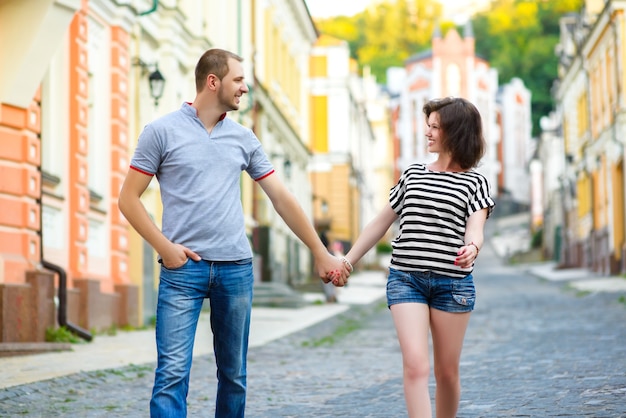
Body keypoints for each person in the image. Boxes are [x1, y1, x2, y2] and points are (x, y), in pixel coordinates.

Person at [118, 48, 350, 418]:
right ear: (213, 81)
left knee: (234, 376)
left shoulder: (244, 138)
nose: (245, 88)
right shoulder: (160, 132)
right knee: (171, 375)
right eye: (238, 80)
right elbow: (128, 199)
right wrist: (165, 247)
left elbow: (281, 198)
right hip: (182, 272)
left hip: (235, 270)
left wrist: (320, 251)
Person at [343, 97, 495, 418]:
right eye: (428, 126)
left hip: (451, 286)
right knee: (415, 366)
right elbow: (381, 221)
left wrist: (473, 248)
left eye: (435, 127)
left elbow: (476, 228)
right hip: (405, 280)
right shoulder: (412, 173)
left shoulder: (475, 182)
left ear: (455, 132)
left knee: (447, 373)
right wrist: (349, 260)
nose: (427, 133)